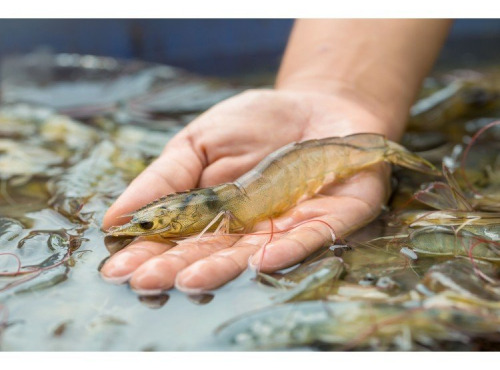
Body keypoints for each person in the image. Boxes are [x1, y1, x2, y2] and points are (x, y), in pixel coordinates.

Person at [100, 19, 452, 294]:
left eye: (146, 225)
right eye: (145, 224)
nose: (139, 229)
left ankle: (389, 153)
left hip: (307, 162)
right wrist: (340, 91)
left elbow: (220, 218)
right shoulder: (203, 205)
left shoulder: (218, 210)